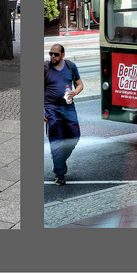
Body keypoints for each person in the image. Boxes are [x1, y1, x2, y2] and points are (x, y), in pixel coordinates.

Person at [44, 44, 83, 185]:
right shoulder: (45, 68)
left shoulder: (70, 66)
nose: (52, 57)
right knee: (56, 141)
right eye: (51, 54)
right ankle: (59, 174)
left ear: (63, 55)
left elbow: (79, 84)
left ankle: (60, 161)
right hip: (51, 109)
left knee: (75, 135)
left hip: (68, 108)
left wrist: (75, 92)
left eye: (56, 54)